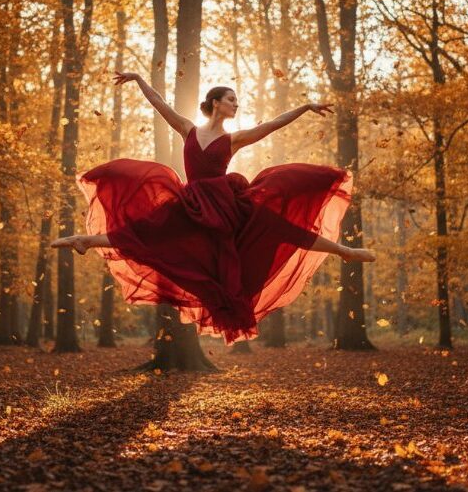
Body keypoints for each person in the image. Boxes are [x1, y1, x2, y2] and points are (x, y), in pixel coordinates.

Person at [51, 71, 375, 344]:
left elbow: (273, 124)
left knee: (278, 227)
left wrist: (304, 107)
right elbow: (160, 105)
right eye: (231, 99)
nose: (236, 104)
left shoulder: (233, 140)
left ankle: (342, 250)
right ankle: (86, 240)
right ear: (216, 102)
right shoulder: (187, 129)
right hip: (191, 203)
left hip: (223, 206)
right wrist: (137, 79)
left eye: (237, 100)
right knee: (148, 232)